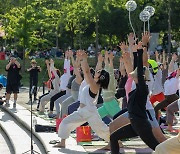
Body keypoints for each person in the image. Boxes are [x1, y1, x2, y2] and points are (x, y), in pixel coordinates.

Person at [110, 34, 159, 153]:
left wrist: (142, 47)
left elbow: (142, 64)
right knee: (113, 136)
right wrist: (131, 49)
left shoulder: (142, 86)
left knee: (158, 146)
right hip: (134, 121)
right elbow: (135, 65)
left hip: (143, 122)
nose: (131, 72)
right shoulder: (135, 81)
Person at [53, 50, 110, 148]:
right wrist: (82, 60)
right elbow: (87, 72)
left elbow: (87, 72)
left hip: (90, 111)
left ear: (100, 77)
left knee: (102, 129)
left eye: (98, 72)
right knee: (65, 122)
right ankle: (62, 142)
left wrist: (84, 59)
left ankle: (114, 142)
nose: (96, 72)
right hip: (82, 111)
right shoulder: (91, 83)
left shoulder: (94, 85)